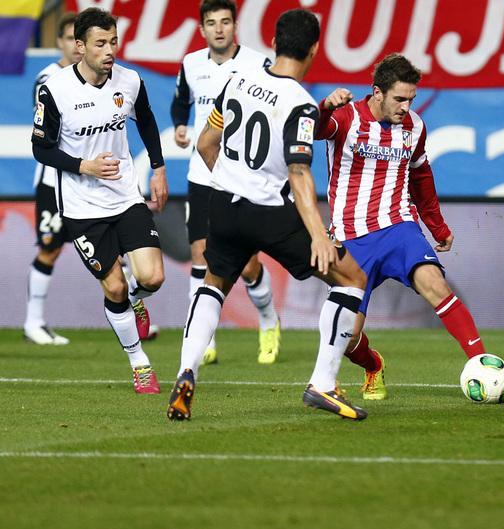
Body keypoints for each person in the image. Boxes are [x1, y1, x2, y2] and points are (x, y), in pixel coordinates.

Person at [166, 8, 370, 421]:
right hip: (270, 212)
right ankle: (323, 384)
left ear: (274, 43)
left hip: (223, 203)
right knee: (351, 279)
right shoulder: (302, 105)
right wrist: (318, 234)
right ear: (314, 50)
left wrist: (231, 179)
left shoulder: (237, 80)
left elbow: (205, 143)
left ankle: (186, 372)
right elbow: (299, 173)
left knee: (213, 283)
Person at [315, 54, 504, 403]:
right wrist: (325, 107)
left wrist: (437, 227)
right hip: (351, 238)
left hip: (398, 228)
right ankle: (373, 364)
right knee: (348, 336)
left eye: (411, 99)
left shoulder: (415, 127)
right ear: (377, 93)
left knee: (436, 285)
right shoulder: (346, 118)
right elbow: (317, 130)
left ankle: (484, 368)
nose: (406, 107)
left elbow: (421, 176)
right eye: (399, 99)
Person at [31, 7, 168, 394]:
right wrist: (84, 166)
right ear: (80, 46)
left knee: (152, 278)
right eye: (100, 44)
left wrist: (158, 168)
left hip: (125, 197)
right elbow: (41, 148)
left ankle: (138, 299)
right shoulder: (56, 90)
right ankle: (139, 363)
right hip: (81, 207)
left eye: (113, 42)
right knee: (114, 288)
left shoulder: (130, 80)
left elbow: (146, 119)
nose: (109, 51)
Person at [170, 0, 280, 366]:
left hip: (240, 175)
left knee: (246, 264)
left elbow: (274, 108)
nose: (219, 29)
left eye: (225, 22)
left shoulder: (257, 64)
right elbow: (180, 101)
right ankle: (204, 337)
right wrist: (180, 125)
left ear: (235, 26)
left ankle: (268, 319)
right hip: (202, 173)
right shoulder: (191, 64)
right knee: (200, 254)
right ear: (202, 29)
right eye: (212, 23)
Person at [23, 12, 82, 346]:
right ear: (59, 41)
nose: (75, 45)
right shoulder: (48, 78)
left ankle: (133, 317)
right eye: (69, 38)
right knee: (50, 247)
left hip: (89, 180)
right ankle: (33, 322)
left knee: (117, 248)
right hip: (53, 179)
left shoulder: (100, 77)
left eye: (79, 39)